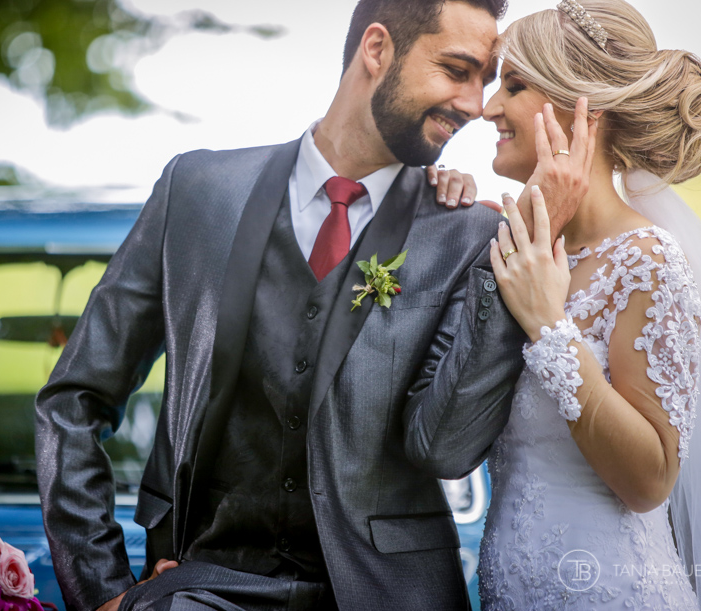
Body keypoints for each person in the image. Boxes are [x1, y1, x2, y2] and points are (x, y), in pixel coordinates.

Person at [34, 1, 593, 610]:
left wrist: (513, 246)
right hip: (203, 586)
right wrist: (100, 592)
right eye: (457, 69)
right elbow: (76, 397)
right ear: (377, 50)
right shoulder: (196, 191)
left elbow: (448, 449)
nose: (474, 103)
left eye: (485, 80)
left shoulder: (465, 233)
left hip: (390, 598)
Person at [444, 0, 701, 608]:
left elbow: (650, 480)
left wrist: (548, 324)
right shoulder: (517, 246)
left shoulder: (647, 260)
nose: (487, 108)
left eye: (513, 85)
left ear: (577, 103)